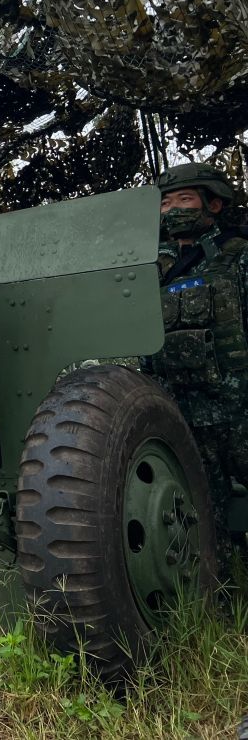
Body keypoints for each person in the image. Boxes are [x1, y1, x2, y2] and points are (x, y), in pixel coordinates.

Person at [149, 162, 248, 573]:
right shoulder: (148, 268)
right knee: (208, 518)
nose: (172, 210)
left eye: (185, 199)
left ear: (214, 203)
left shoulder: (236, 256)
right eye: (165, 203)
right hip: (187, 416)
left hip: (240, 408)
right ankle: (225, 603)